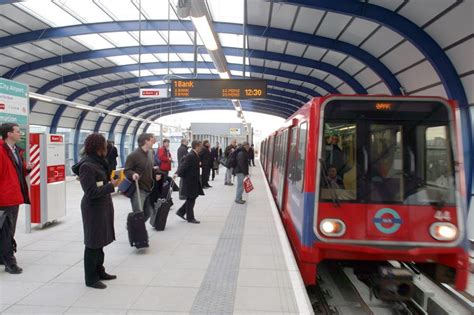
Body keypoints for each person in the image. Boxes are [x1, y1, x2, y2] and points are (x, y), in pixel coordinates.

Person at [72, 133, 120, 289]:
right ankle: (91, 278)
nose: (107, 148)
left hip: (102, 205)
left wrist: (109, 182)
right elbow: (91, 192)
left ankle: (100, 271)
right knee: (93, 242)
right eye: (104, 146)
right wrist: (111, 185)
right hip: (93, 208)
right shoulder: (87, 165)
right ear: (98, 147)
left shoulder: (98, 162)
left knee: (100, 241)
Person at [0, 123, 32, 274]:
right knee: (7, 231)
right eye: (18, 132)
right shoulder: (1, 151)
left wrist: (26, 169)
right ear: (9, 134)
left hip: (14, 196)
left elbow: (17, 173)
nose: (21, 134)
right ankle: (10, 263)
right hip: (4, 198)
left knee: (7, 230)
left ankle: (3, 256)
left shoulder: (15, 151)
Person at [124, 133, 161, 221]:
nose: (154, 142)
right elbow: (127, 170)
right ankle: (135, 229)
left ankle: (134, 226)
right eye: (152, 140)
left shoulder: (149, 153)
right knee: (138, 213)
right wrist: (133, 174)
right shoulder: (133, 155)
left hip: (148, 188)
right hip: (138, 189)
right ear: (146, 141)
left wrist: (156, 172)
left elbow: (150, 168)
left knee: (148, 212)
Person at [174, 140, 204, 224]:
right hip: (190, 181)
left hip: (193, 180)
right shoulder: (191, 155)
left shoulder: (194, 154)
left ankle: (181, 212)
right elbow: (183, 165)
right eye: (200, 146)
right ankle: (190, 218)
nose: (201, 148)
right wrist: (177, 173)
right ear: (196, 146)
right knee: (191, 198)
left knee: (192, 197)